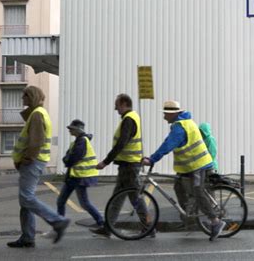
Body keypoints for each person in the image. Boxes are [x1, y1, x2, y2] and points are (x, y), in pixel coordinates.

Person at [142, 100, 226, 241]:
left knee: (198, 190)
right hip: (188, 166)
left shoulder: (180, 128)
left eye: (166, 114)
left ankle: (215, 221)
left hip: (198, 164)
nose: (164, 116)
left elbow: (167, 145)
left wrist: (152, 159)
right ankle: (189, 215)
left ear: (173, 114)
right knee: (178, 186)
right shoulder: (183, 123)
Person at [8, 86, 70, 248]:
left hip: (32, 162)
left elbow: (36, 141)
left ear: (31, 97)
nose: (22, 99)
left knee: (27, 198)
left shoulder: (37, 115)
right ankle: (28, 237)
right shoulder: (36, 114)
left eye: (24, 96)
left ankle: (58, 221)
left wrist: (26, 159)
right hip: (34, 162)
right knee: (25, 201)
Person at [91, 94, 154, 238]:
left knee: (133, 197)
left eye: (117, 105)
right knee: (119, 197)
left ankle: (148, 226)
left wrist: (105, 162)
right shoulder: (131, 118)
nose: (115, 108)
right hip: (127, 165)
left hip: (130, 165)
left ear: (124, 104)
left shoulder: (129, 119)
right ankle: (109, 228)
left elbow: (121, 143)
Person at [56, 120, 103, 227]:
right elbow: (68, 157)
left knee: (81, 203)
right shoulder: (78, 141)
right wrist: (67, 159)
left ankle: (101, 221)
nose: (69, 130)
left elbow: (72, 158)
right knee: (63, 201)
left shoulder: (81, 141)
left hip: (79, 177)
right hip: (74, 177)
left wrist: (67, 160)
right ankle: (59, 224)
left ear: (78, 129)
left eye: (71, 129)